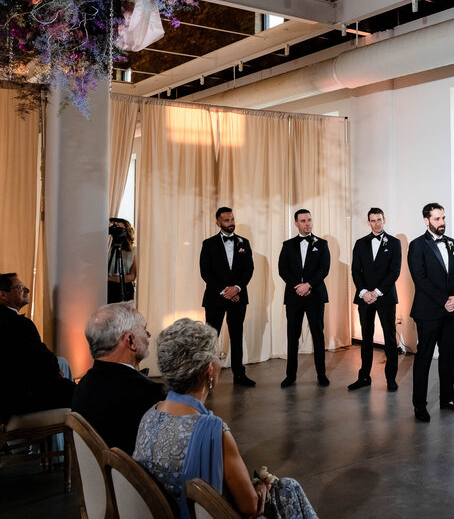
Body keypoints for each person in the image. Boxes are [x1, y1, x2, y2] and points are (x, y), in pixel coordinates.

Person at [134, 319, 318, 519]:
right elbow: (250, 507)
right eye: (219, 356)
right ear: (209, 371)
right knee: (288, 487)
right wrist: (260, 487)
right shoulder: (214, 431)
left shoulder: (150, 415)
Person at [0, 273, 74, 418]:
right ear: (2, 294)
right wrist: (54, 368)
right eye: (20, 287)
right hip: (18, 400)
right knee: (80, 393)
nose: (26, 289)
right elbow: (44, 361)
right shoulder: (18, 323)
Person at [407, 203, 454, 422]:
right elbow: (420, 279)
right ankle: (420, 405)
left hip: (453, 311)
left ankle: (448, 399)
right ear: (426, 221)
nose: (442, 223)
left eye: (443, 218)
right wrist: (445, 300)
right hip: (428, 312)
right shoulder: (417, 245)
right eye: (437, 219)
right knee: (424, 358)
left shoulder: (453, 244)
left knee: (447, 358)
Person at [71, 302, 165, 453]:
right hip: (133, 476)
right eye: (144, 329)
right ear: (130, 341)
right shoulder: (149, 395)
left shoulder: (82, 386)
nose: (148, 336)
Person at [200, 207, 256, 387]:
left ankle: (239, 374)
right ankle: (207, 375)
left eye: (232, 219)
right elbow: (206, 272)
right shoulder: (208, 244)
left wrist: (237, 288)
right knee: (211, 336)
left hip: (238, 297)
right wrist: (225, 290)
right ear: (218, 223)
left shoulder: (244, 243)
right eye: (226, 220)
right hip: (215, 297)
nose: (230, 223)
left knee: (237, 334)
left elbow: (249, 269)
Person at [348, 208, 402, 392]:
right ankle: (364, 376)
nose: (377, 223)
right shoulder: (360, 243)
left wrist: (376, 292)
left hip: (385, 297)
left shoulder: (394, 243)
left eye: (379, 220)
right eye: (373, 220)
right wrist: (364, 292)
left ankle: (391, 379)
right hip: (364, 298)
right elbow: (355, 270)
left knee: (389, 339)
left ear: (384, 220)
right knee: (366, 338)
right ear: (368, 222)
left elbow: (394, 271)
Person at [277, 209, 330, 388]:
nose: (307, 223)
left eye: (309, 220)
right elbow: (282, 270)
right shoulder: (287, 245)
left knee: (318, 335)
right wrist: (297, 287)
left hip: (315, 296)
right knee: (293, 336)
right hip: (294, 297)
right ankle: (290, 375)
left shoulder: (322, 244)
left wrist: (308, 285)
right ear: (296, 223)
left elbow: (324, 269)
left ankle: (321, 374)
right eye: (303, 221)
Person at [108, 218, 138, 303]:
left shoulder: (133, 251)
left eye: (120, 229)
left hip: (126, 289)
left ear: (126, 232)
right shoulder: (107, 248)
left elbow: (132, 276)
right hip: (107, 288)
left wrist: (109, 278)